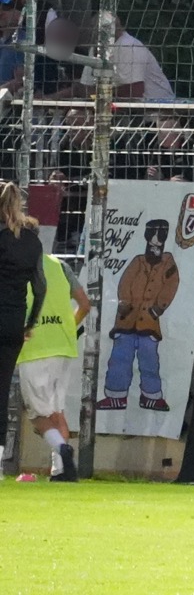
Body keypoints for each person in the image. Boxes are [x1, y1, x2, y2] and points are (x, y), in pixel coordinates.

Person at [17, 248, 89, 480]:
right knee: (56, 411)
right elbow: (85, 304)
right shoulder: (60, 265)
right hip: (64, 347)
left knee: (36, 415)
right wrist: (69, 327)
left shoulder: (14, 267)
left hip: (34, 347)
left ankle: (61, 448)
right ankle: (62, 471)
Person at [99, 217, 178, 411]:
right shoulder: (138, 261)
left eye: (161, 233)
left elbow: (171, 286)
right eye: (154, 233)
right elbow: (125, 283)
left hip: (149, 323)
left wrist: (157, 308)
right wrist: (125, 304)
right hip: (127, 320)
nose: (157, 238)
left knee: (149, 361)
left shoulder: (168, 263)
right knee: (120, 359)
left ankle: (151, 396)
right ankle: (115, 395)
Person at [0, 182, 51, 448]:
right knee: (3, 387)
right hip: (12, 323)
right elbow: (41, 288)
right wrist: (28, 324)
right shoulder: (30, 241)